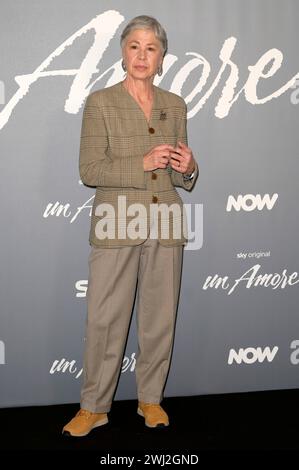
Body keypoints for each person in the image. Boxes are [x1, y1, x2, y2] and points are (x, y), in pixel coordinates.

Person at [62, 15, 199, 437]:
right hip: (115, 220)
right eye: (134, 46)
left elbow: (179, 174)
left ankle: (150, 399)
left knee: (159, 318)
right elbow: (89, 169)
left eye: (151, 48)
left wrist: (189, 168)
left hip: (165, 221)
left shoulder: (174, 104)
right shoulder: (101, 102)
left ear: (161, 58)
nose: (142, 55)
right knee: (104, 319)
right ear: (123, 53)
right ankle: (94, 407)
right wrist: (140, 164)